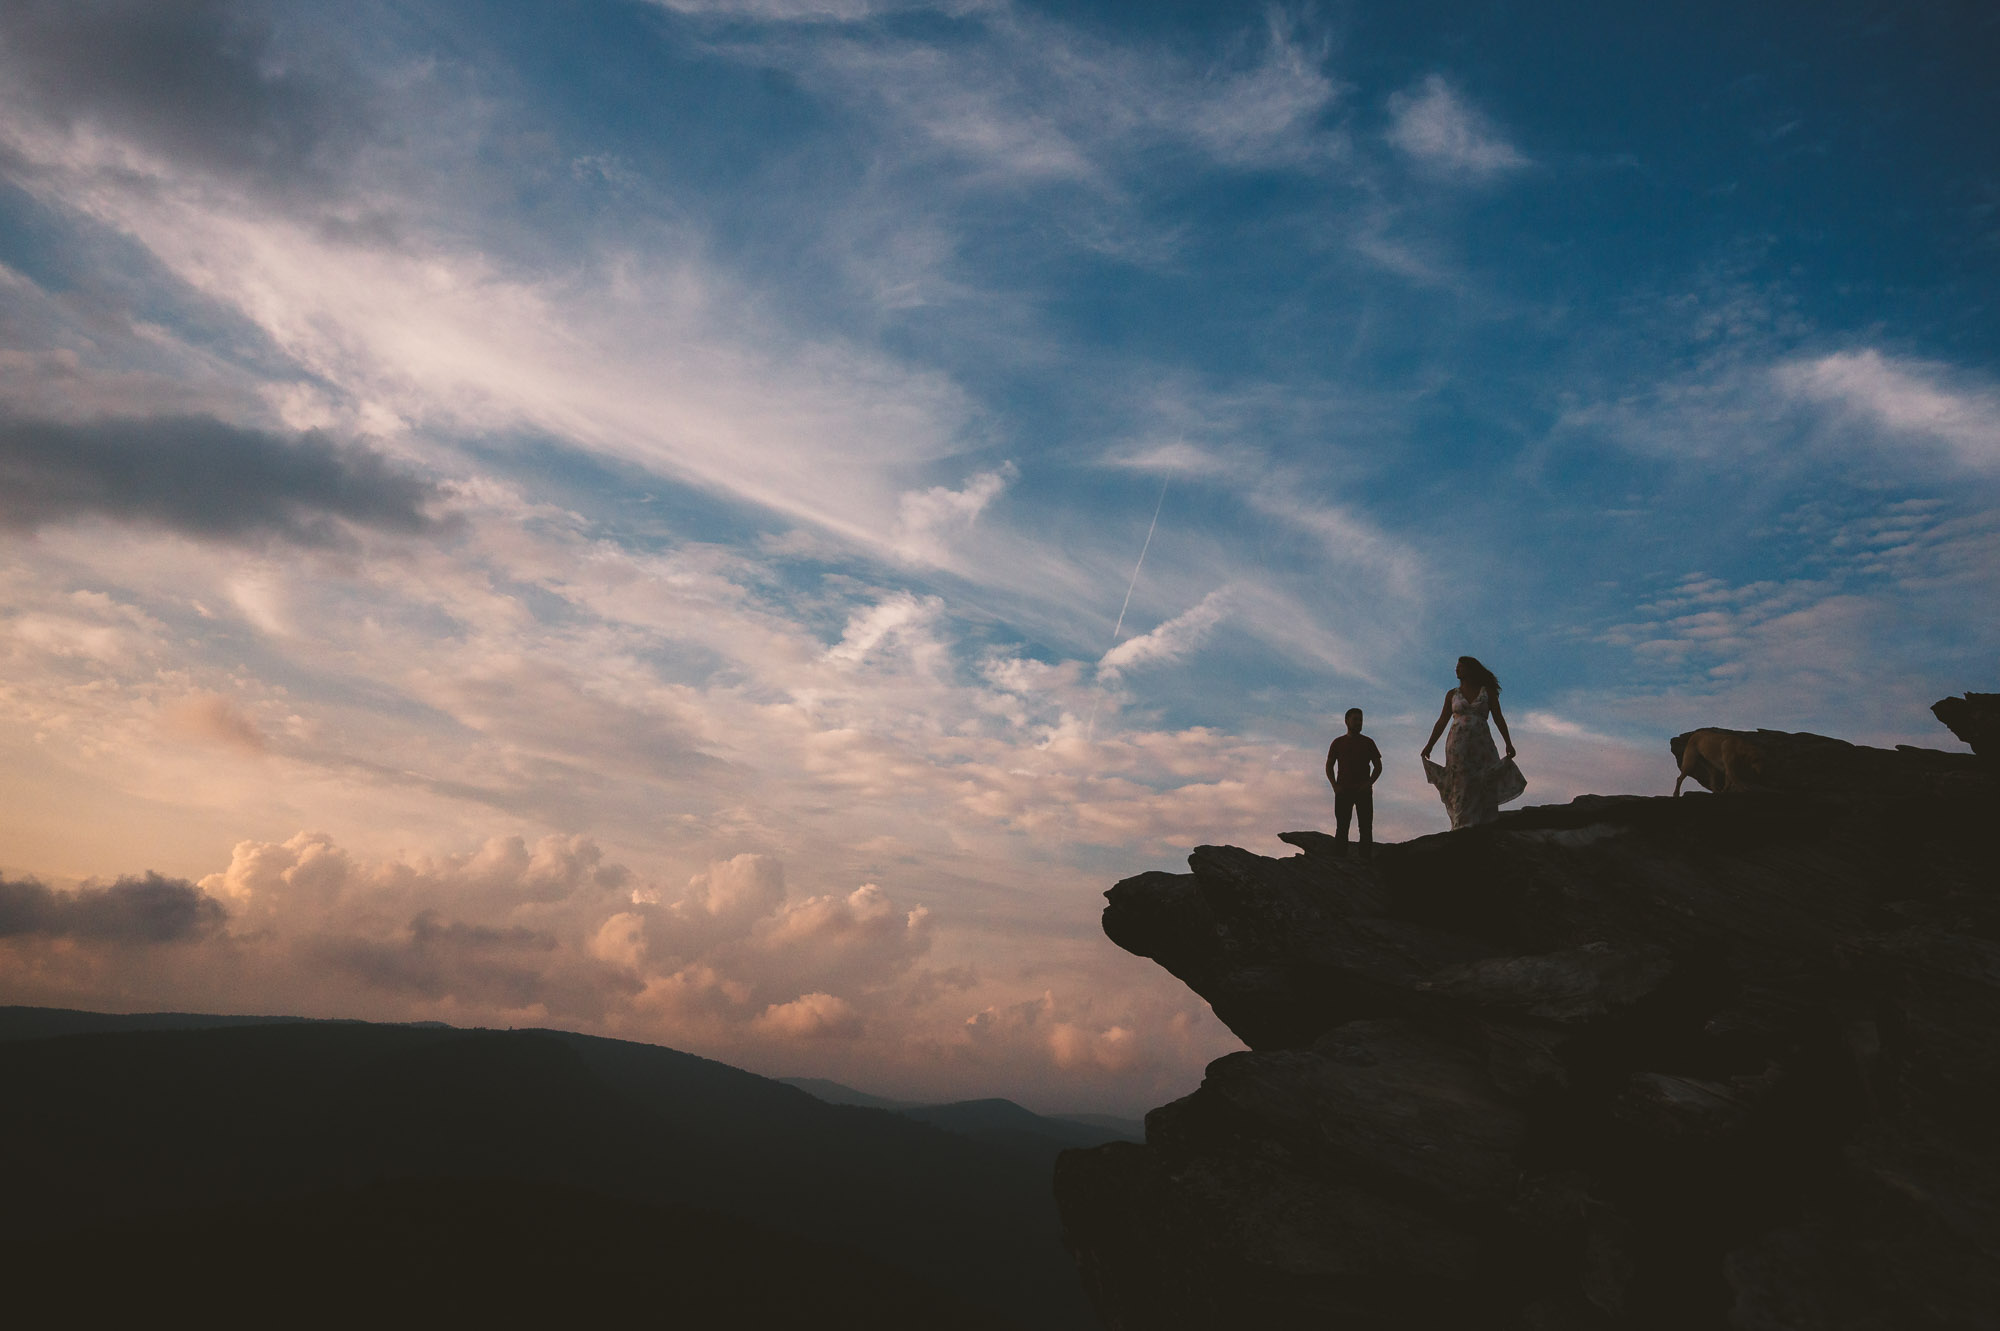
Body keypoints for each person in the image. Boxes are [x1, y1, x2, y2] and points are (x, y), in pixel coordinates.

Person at [1420, 656, 1525, 829]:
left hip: (1481, 745)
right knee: (1461, 782)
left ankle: (1484, 823)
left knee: (1481, 780)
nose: (1457, 670)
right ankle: (1461, 824)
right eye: (1456, 667)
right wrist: (1430, 744)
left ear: (1470, 669)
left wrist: (1508, 742)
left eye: (1460, 667)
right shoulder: (1452, 694)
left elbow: (1498, 718)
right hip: (1457, 746)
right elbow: (1442, 721)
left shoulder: (1487, 692)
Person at [1324, 707, 1383, 855]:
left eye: (1361, 720)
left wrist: (1369, 784)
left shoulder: (1368, 742)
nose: (1359, 723)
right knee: (1342, 827)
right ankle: (1340, 859)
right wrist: (1334, 786)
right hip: (1343, 790)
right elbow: (1329, 765)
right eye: (1355, 719)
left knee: (1365, 827)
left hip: (1363, 791)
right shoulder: (1338, 742)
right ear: (1346, 721)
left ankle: (1365, 860)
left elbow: (1378, 766)